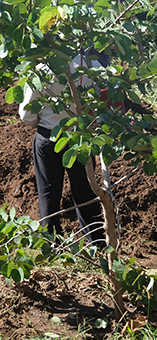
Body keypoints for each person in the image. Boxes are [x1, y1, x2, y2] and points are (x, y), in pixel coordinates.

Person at [19, 55, 106, 245]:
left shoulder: (42, 69)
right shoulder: (92, 66)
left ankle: (50, 244)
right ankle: (96, 243)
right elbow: (103, 103)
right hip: (82, 138)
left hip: (48, 137)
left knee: (48, 192)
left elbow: (26, 114)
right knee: (85, 191)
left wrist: (42, 124)